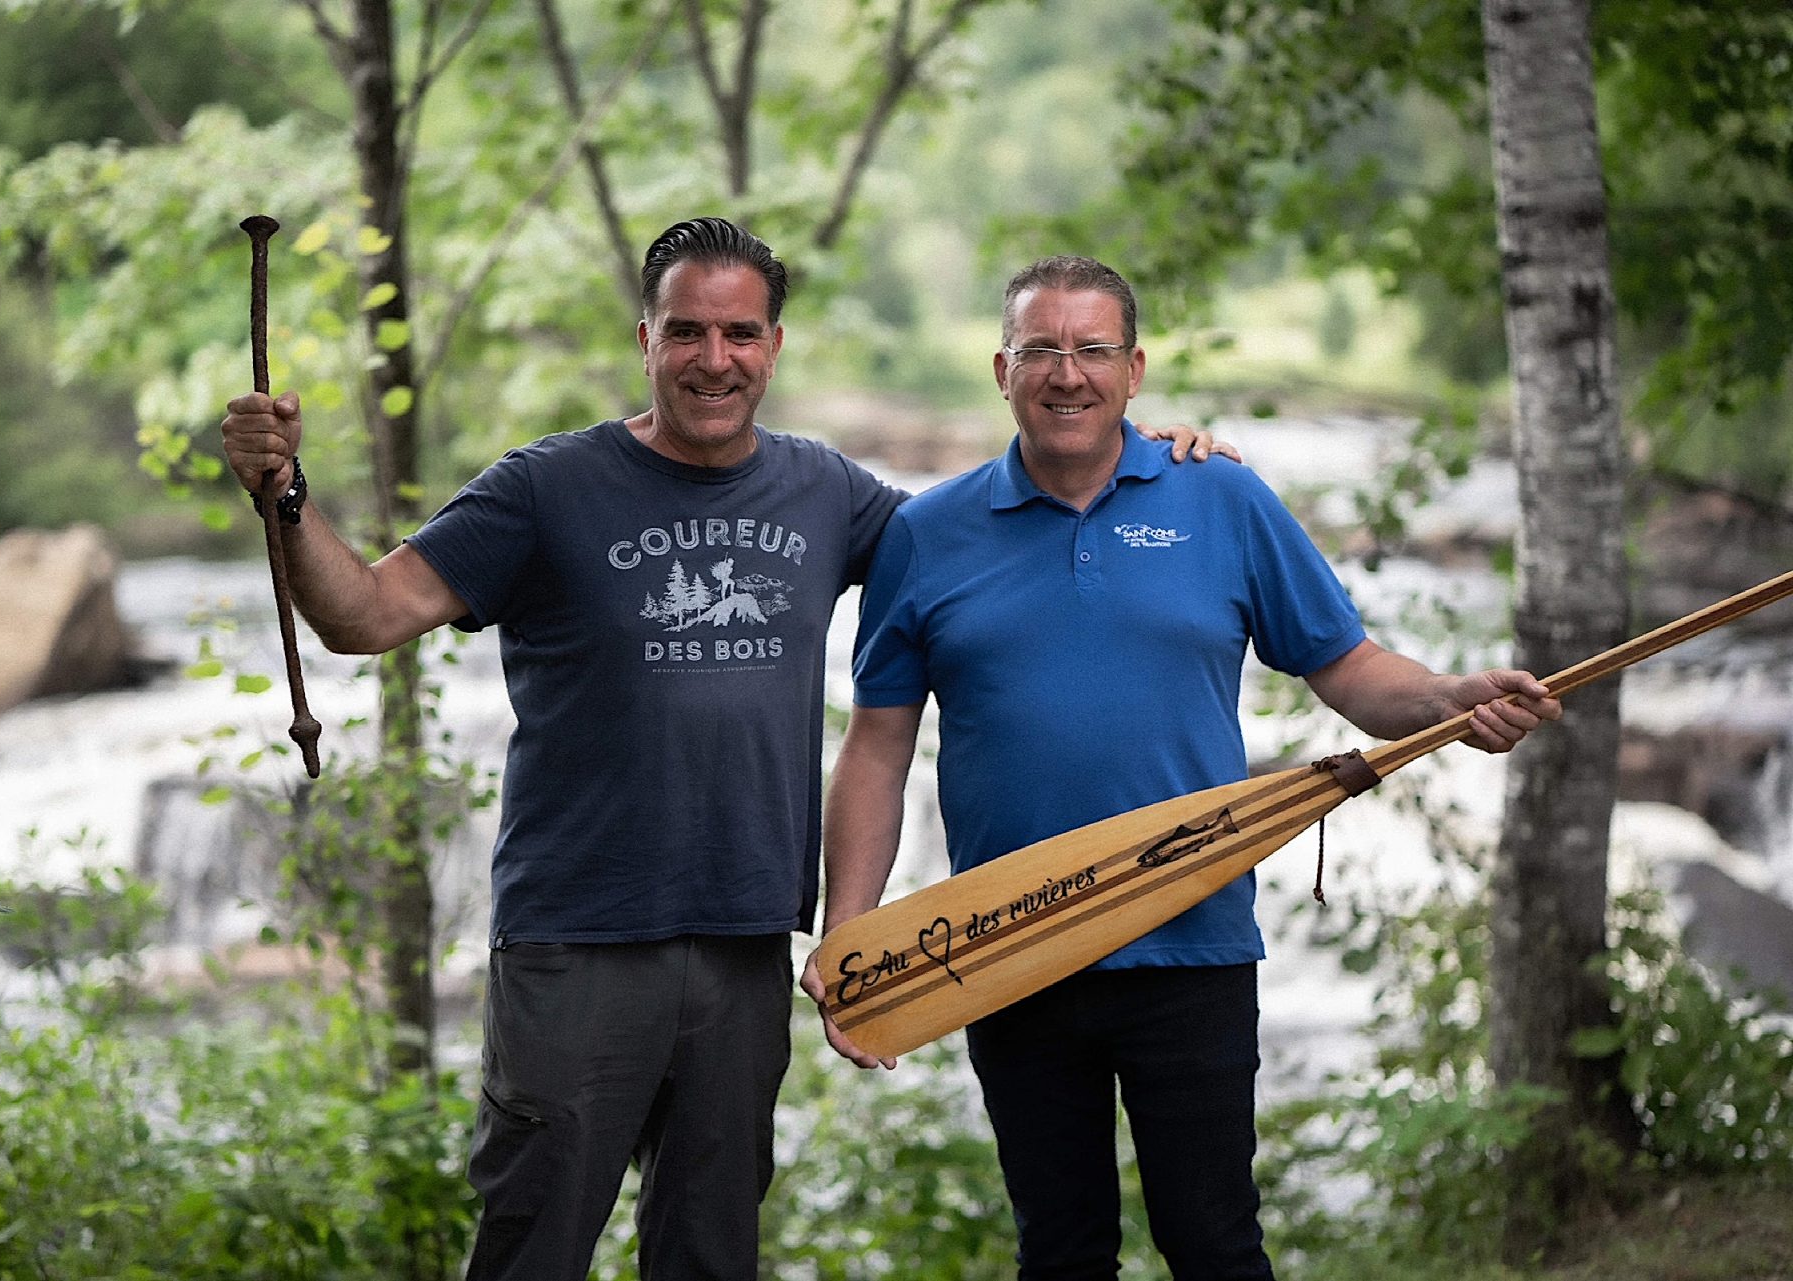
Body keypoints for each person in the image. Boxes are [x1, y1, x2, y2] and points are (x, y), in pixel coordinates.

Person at [220, 221, 1227, 1281]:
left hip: (747, 943)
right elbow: (364, 615)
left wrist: (1147, 456)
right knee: (535, 1242)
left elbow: (992, 536)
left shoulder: (828, 493)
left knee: (711, 1254)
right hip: (577, 940)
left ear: (775, 345)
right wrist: (285, 494)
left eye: (740, 333)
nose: (715, 359)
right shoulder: (545, 489)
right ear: (646, 337)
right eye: (688, 331)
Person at [801, 255, 1562, 1281]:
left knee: (1215, 1245)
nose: (1066, 373)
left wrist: (1446, 699)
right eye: (1041, 350)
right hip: (1013, 941)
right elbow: (878, 746)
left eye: (1092, 349)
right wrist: (852, 930)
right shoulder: (925, 536)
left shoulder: (1224, 499)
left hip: (1193, 941)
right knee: (1060, 1254)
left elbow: (1346, 667)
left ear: (1134, 368)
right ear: (1000, 368)